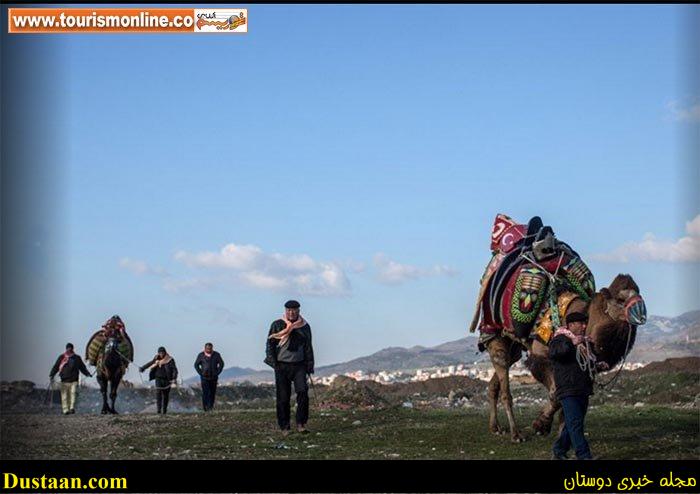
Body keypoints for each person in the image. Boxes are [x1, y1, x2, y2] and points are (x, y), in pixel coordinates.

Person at [549, 312, 609, 460]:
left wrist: (599, 365)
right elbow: (556, 353)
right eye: (580, 324)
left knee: (573, 424)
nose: (584, 326)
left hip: (582, 389)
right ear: (570, 325)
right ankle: (584, 456)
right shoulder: (559, 339)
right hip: (568, 389)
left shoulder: (584, 343)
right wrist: (572, 343)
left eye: (584, 323)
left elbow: (586, 364)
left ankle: (559, 449)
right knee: (575, 424)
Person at [265, 300, 315, 434]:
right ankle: (285, 427)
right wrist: (274, 364)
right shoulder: (277, 325)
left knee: (303, 393)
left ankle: (301, 424)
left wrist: (310, 365)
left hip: (299, 365)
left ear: (299, 311)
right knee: (283, 397)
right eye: (289, 310)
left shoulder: (304, 326)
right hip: (282, 366)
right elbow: (270, 345)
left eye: (294, 310)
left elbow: (308, 346)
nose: (291, 313)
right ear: (285, 311)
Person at [49, 343, 92, 415]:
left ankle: (72, 408)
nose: (69, 349)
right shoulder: (62, 357)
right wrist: (51, 374)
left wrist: (87, 373)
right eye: (68, 348)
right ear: (66, 349)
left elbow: (82, 367)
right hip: (64, 380)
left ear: (73, 349)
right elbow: (56, 366)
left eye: (71, 348)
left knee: (73, 394)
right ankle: (65, 410)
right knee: (64, 396)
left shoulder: (77, 358)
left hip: (74, 380)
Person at [139, 346, 178, 414]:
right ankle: (158, 410)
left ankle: (164, 410)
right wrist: (143, 368)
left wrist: (174, 378)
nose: (161, 354)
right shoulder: (156, 359)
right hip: (158, 379)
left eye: (162, 352)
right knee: (158, 394)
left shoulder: (170, 360)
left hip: (167, 380)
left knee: (165, 395)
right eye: (160, 353)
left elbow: (174, 370)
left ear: (165, 352)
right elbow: (150, 363)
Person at [194, 342, 224, 411]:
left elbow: (221, 364)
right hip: (204, 377)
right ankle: (205, 408)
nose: (209, 350)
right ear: (205, 348)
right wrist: (201, 373)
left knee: (212, 393)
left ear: (212, 348)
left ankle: (210, 407)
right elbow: (196, 365)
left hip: (214, 377)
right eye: (207, 348)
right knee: (205, 393)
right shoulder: (201, 355)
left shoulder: (216, 355)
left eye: (210, 348)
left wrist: (217, 373)